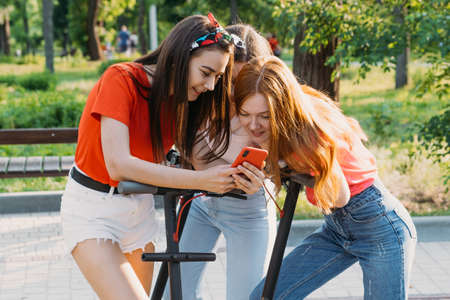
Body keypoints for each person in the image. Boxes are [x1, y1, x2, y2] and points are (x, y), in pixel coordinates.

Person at [60, 13, 250, 300]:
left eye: (217, 77)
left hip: (140, 211)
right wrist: (202, 180)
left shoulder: (185, 100)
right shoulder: (121, 79)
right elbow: (119, 164)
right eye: (206, 73)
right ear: (179, 57)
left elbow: (205, 157)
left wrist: (241, 174)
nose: (211, 85)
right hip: (93, 209)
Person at [233, 56, 417, 300]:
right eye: (246, 114)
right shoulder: (290, 120)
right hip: (337, 229)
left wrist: (282, 163)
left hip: (380, 227)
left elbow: (340, 197)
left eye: (265, 116)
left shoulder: (309, 131)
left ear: (283, 108)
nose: (254, 125)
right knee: (265, 296)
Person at [167, 24, 277, 300]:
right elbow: (190, 157)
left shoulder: (259, 111)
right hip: (203, 203)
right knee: (176, 294)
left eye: (244, 82)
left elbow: (281, 161)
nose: (233, 91)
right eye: (229, 79)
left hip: (248, 209)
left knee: (246, 296)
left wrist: (268, 178)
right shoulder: (202, 97)